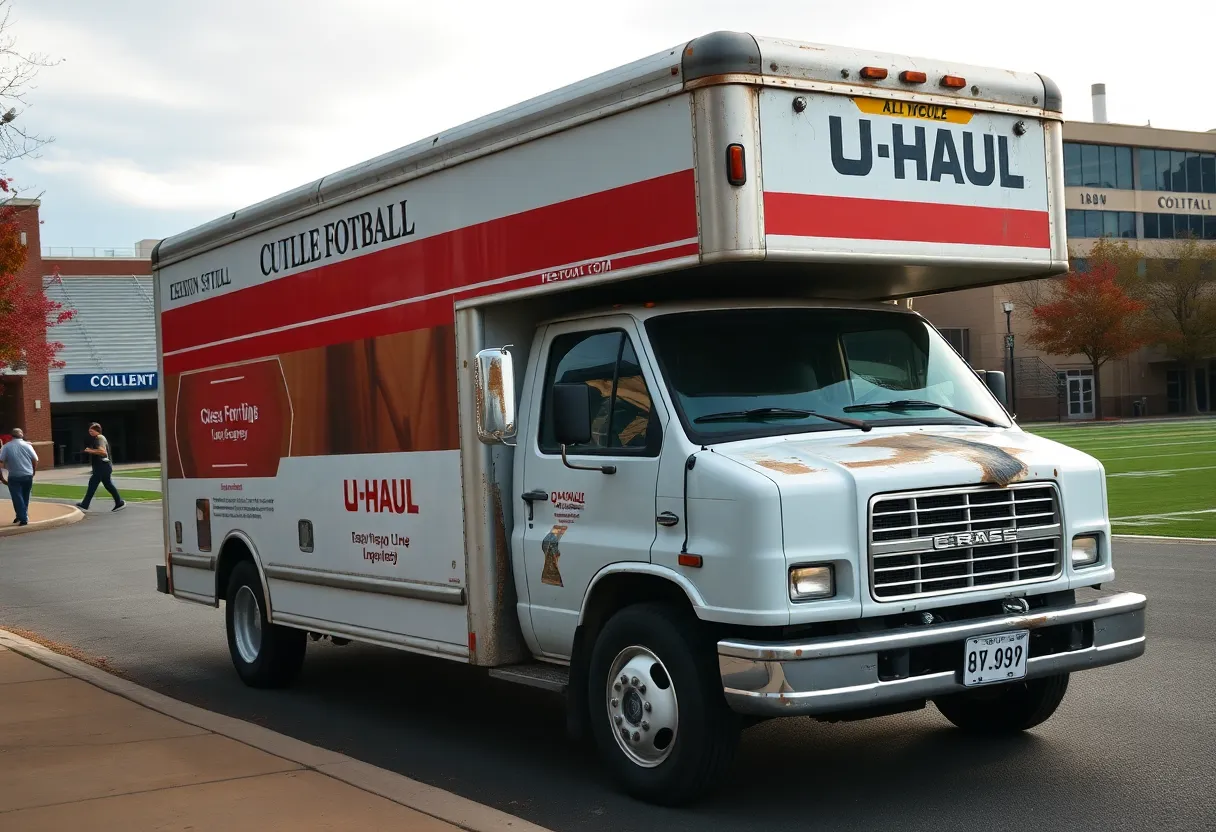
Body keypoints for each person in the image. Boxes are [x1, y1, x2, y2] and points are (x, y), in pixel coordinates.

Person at [76, 422, 125, 512]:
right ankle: (119, 502)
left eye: (91, 431)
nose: (90, 433)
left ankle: (85, 505)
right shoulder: (98, 438)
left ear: (97, 430)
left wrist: (90, 450)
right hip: (103, 467)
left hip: (102, 466)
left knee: (93, 484)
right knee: (107, 485)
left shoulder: (99, 438)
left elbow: (103, 452)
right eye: (89, 431)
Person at [0, 427, 38, 526]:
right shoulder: (27, 445)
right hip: (27, 474)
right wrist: (33, 471)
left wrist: (2, 477)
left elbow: (1, 460)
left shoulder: (6, 447)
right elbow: (35, 459)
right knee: (25, 496)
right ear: (22, 435)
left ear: (11, 436)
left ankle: (23, 517)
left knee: (17, 497)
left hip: (14, 475)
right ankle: (21, 515)